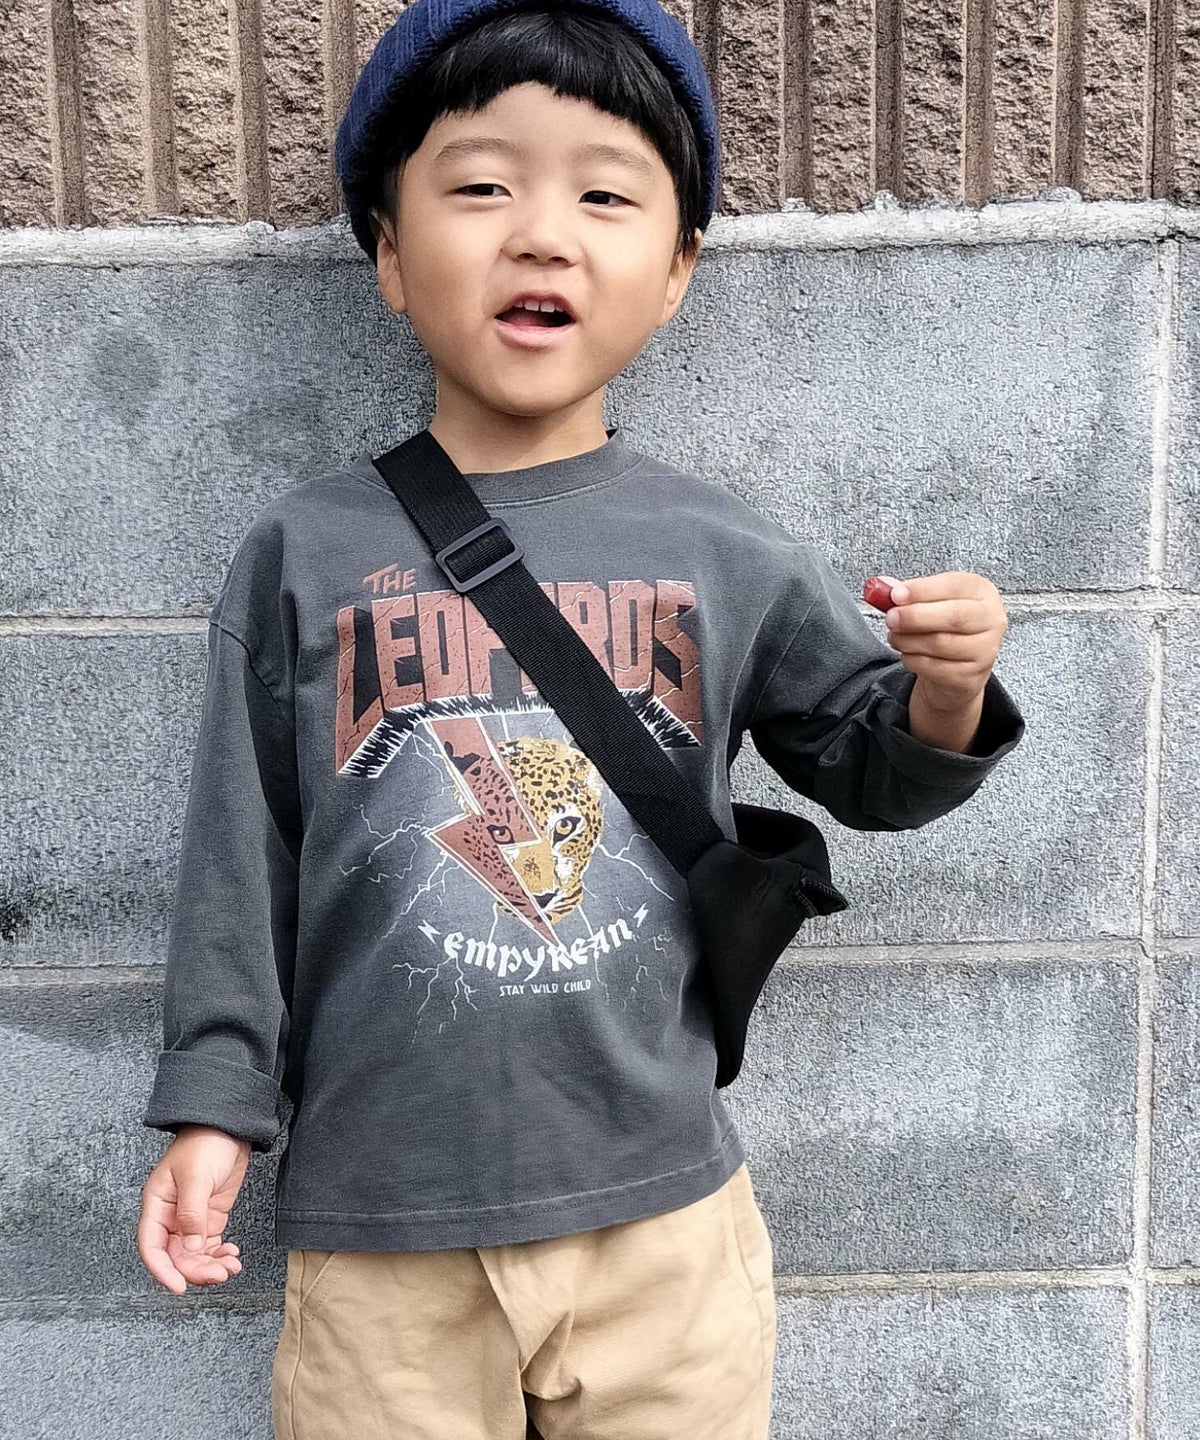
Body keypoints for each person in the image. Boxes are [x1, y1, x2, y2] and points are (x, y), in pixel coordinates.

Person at [135, 3, 1027, 1437]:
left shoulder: (720, 548)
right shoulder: (304, 552)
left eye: (605, 196)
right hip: (384, 1227)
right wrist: (211, 1101)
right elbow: (240, 855)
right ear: (388, 252)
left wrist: (947, 685)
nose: (542, 235)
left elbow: (874, 772)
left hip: (662, 1220)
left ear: (675, 272)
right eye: (484, 185)